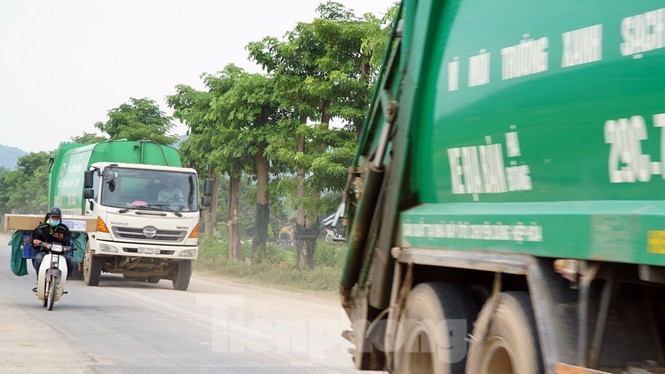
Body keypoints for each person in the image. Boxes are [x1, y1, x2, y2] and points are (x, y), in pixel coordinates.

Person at [31, 207, 76, 291]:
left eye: (57, 218)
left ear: (60, 218)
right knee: (38, 258)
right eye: (53, 217)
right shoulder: (42, 227)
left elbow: (68, 242)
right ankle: (39, 280)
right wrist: (35, 241)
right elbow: (34, 239)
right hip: (45, 252)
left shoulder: (64, 229)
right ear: (49, 217)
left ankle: (62, 280)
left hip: (60, 254)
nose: (55, 219)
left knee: (72, 261)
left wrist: (62, 239)